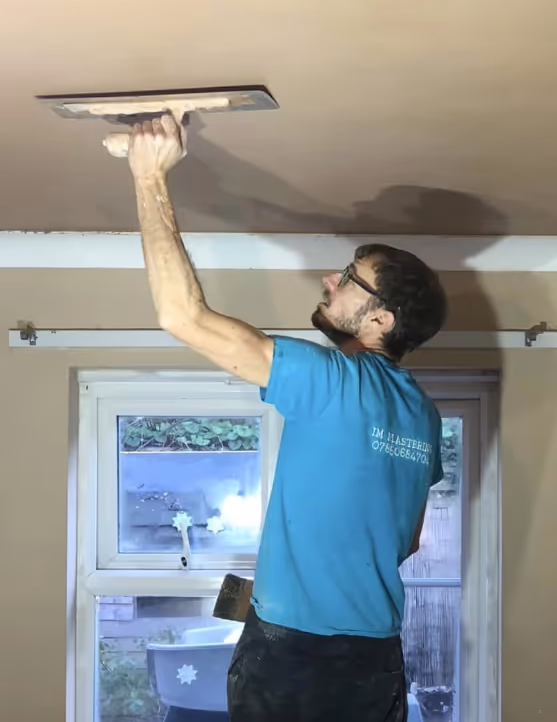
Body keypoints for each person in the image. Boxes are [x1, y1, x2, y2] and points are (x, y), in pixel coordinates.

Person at [123, 113, 448, 722]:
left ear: (381, 320)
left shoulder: (334, 380)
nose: (331, 279)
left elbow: (181, 316)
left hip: (293, 654)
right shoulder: (423, 418)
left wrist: (149, 177)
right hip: (376, 653)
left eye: (350, 280)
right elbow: (404, 539)